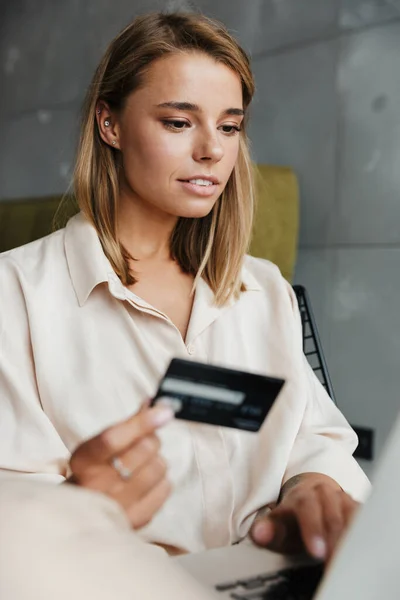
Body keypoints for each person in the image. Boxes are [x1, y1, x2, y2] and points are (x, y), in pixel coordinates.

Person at [0, 11, 369, 598]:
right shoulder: (15, 296)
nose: (211, 151)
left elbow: (317, 439)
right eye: (178, 122)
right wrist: (77, 505)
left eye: (229, 127)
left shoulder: (263, 291)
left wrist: (313, 486)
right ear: (110, 125)